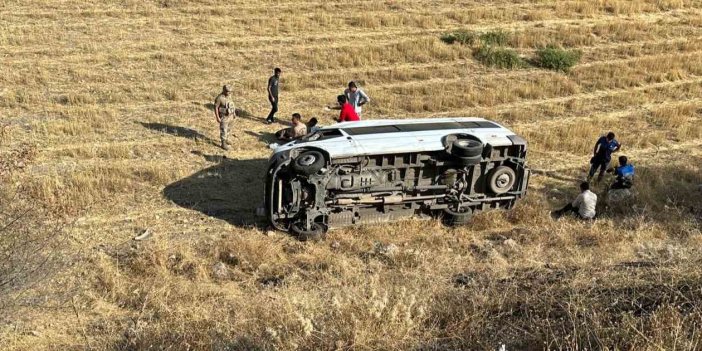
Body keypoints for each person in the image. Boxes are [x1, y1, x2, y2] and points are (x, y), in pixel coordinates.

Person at [214, 84, 237, 150]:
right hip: (224, 117)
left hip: (231, 116)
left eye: (230, 91)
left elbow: (232, 104)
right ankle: (223, 143)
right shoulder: (219, 98)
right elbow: (216, 107)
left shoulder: (229, 96)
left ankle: (227, 139)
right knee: (223, 129)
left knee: (229, 129)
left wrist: (234, 113)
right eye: (227, 91)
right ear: (224, 90)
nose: (229, 93)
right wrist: (217, 117)